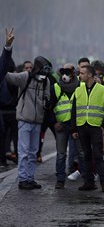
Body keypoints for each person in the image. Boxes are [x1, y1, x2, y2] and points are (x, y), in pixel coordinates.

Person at [0, 28, 52, 190]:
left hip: (37, 121)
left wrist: (46, 105)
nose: (45, 73)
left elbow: (48, 98)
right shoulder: (25, 77)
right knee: (23, 151)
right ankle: (23, 179)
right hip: (24, 119)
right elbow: (5, 75)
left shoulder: (46, 82)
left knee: (33, 152)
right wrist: (7, 50)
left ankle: (30, 177)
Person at [71, 65, 104, 192]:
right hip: (82, 127)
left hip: (96, 127)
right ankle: (89, 182)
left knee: (98, 156)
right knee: (86, 156)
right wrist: (74, 129)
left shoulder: (103, 90)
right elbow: (74, 111)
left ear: (89, 75)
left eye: (82, 73)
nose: (80, 75)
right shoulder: (78, 90)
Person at [50, 64, 86, 189]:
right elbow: (49, 107)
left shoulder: (81, 86)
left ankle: (86, 179)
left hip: (77, 125)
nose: (65, 76)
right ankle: (60, 179)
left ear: (73, 74)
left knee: (81, 153)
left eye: (68, 73)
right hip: (62, 126)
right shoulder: (56, 87)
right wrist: (54, 122)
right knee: (61, 154)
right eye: (63, 73)